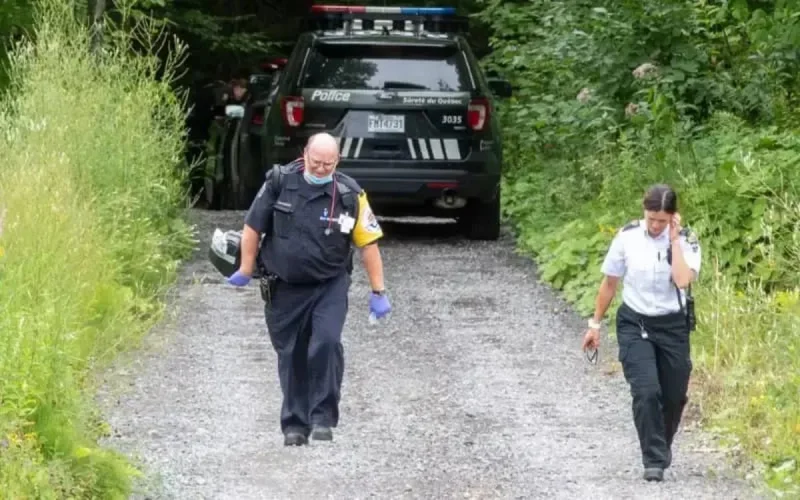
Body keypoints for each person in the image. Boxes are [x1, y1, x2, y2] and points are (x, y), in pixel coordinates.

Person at [226, 132, 392, 446]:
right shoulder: (279, 182)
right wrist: (246, 269)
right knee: (291, 355)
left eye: (328, 164)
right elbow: (253, 227)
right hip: (284, 286)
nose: (320, 169)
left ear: (337, 161)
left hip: (329, 285)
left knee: (325, 344)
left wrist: (378, 291)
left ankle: (322, 418)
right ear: (305, 154)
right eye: (316, 162)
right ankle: (294, 425)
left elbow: (368, 244)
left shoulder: (349, 194)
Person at [581, 183, 701, 482]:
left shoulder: (687, 240)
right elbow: (610, 283)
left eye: (662, 220)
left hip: (673, 325)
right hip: (635, 322)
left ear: (673, 217)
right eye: (651, 218)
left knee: (674, 396)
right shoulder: (627, 237)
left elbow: (683, 281)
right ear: (643, 212)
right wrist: (594, 324)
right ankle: (654, 459)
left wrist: (674, 240)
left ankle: (660, 444)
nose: (656, 225)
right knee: (647, 392)